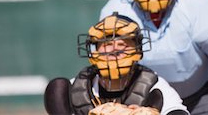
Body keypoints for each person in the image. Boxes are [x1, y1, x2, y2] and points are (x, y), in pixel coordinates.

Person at [44, 13, 189, 115]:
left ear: (137, 50)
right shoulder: (76, 87)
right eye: (106, 44)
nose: (114, 49)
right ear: (95, 51)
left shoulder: (154, 87)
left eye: (123, 43)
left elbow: (177, 111)